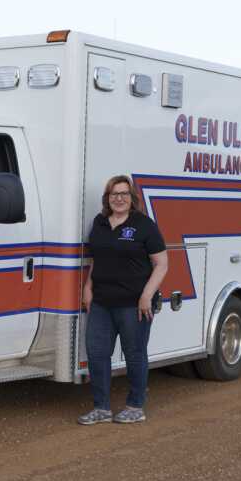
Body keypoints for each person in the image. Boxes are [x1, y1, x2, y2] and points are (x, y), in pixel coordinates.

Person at [78, 175, 169, 425]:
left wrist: (146, 296)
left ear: (132, 198)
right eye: (113, 194)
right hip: (101, 303)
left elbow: (161, 264)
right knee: (97, 354)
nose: (119, 198)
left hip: (133, 304)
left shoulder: (144, 225)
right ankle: (101, 408)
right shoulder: (99, 223)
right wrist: (88, 287)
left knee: (135, 354)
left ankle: (135, 406)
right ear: (107, 198)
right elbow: (97, 258)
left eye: (124, 194)